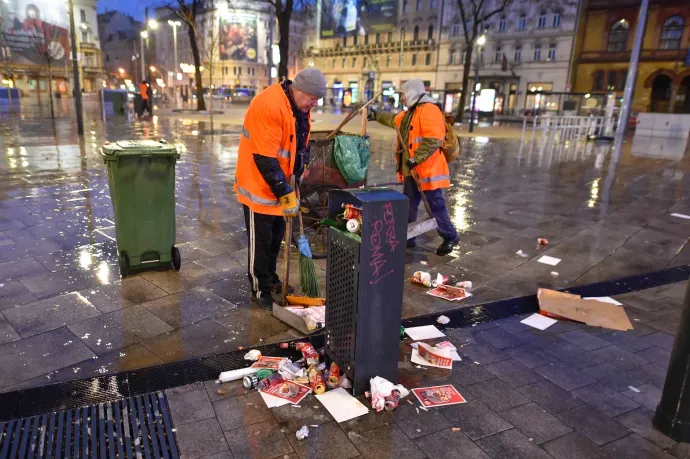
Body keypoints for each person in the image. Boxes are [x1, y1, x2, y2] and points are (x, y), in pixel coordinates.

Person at [235, 68, 326, 309]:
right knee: (261, 242)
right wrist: (285, 193)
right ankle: (259, 288)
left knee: (276, 239)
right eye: (312, 98)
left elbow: (301, 143)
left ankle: (271, 278)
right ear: (299, 90)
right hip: (259, 185)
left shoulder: (300, 107)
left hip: (282, 183)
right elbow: (264, 158)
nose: (314, 104)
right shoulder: (270, 105)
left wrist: (299, 170)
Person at [369, 79, 459, 256]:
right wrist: (376, 115)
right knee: (408, 206)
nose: (402, 98)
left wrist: (416, 159)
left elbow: (434, 139)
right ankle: (408, 237)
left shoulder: (429, 110)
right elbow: (394, 120)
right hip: (412, 171)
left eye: (403, 94)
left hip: (428, 171)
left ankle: (450, 237)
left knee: (435, 206)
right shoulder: (411, 112)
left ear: (411, 93)